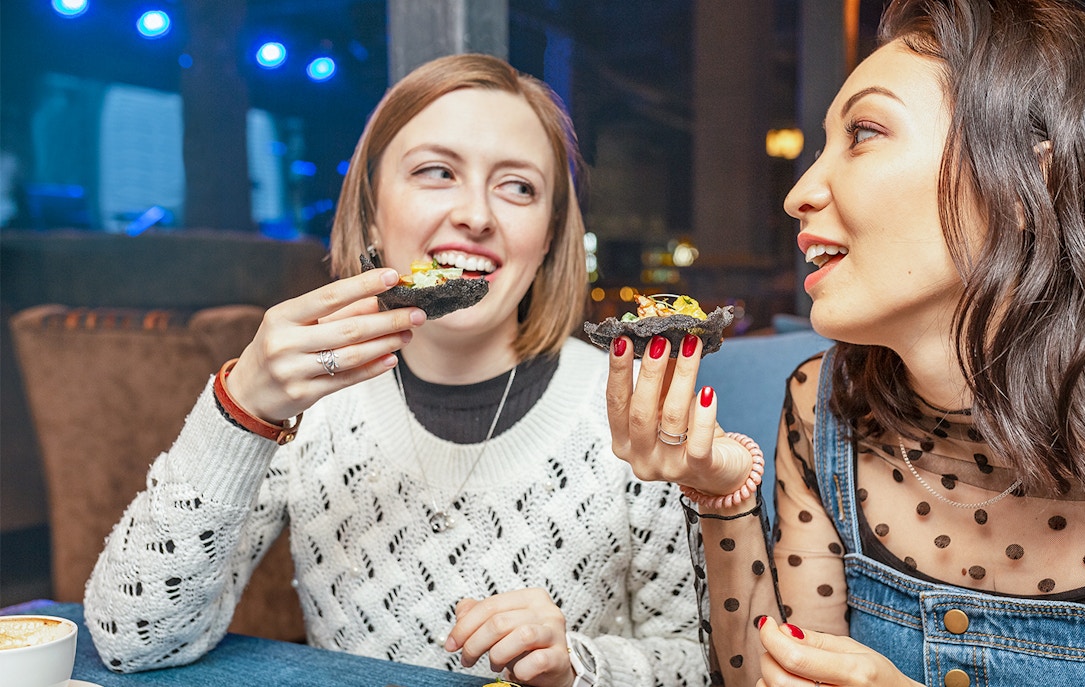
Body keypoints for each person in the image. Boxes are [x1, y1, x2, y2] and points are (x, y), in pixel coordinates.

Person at [606, 0, 1085, 685]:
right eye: (820, 147)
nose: (801, 192)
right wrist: (718, 491)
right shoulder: (826, 409)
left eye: (864, 132)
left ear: (1028, 183)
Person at [84, 53, 706, 687]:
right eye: (437, 172)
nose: (477, 215)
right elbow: (135, 641)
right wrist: (242, 406)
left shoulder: (632, 408)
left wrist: (581, 666)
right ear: (373, 212)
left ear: (548, 235)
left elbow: (704, 660)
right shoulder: (306, 403)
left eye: (518, 186)